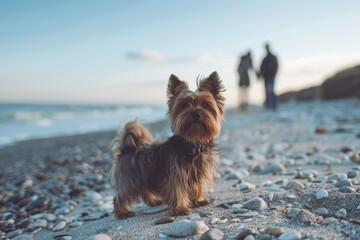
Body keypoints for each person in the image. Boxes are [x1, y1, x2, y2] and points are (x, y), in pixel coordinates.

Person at [259, 43, 278, 110]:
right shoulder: (264, 59)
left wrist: (274, 73)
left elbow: (276, 65)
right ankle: (267, 106)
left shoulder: (273, 57)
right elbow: (261, 68)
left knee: (271, 91)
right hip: (266, 77)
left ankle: (273, 106)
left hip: (271, 76)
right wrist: (260, 75)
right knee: (267, 91)